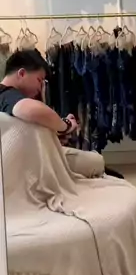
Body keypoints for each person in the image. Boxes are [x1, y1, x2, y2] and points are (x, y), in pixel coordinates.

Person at [0, 48, 123, 179]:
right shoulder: (7, 94)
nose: (41, 87)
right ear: (22, 73)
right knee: (96, 161)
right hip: (32, 162)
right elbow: (28, 109)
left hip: (30, 158)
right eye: (39, 80)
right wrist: (65, 125)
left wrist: (53, 132)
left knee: (93, 161)